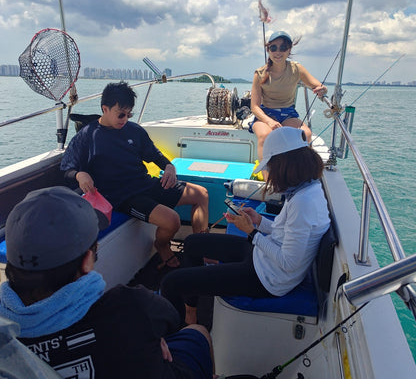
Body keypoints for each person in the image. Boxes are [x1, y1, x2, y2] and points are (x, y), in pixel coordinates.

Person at [0, 186, 214, 379]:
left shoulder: (5, 334)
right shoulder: (132, 305)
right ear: (86, 262)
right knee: (198, 332)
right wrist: (148, 332)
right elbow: (170, 319)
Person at [160, 127, 330, 325]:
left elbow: (288, 262)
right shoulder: (305, 189)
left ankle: (179, 338)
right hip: (263, 259)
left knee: (170, 283)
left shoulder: (303, 203)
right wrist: (258, 220)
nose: (270, 174)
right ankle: (191, 313)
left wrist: (251, 232)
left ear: (285, 165)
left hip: (268, 279)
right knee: (192, 242)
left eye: (270, 167)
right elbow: (283, 231)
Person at [60, 81, 209, 268]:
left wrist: (169, 167)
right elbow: (67, 169)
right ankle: (162, 246)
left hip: (144, 183)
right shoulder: (87, 136)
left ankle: (203, 251)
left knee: (201, 194)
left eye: (129, 114)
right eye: (121, 114)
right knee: (172, 220)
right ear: (105, 109)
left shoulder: (134, 130)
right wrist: (80, 175)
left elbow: (155, 155)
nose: (125, 119)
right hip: (122, 196)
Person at [250, 31, 327, 178]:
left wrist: (322, 89)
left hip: (288, 113)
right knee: (265, 136)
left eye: (283, 47)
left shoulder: (296, 69)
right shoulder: (259, 74)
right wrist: (269, 121)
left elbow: (316, 84)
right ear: (268, 50)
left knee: (306, 134)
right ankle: (268, 180)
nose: (278, 52)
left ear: (289, 50)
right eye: (273, 48)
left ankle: (303, 174)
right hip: (265, 114)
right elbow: (254, 107)